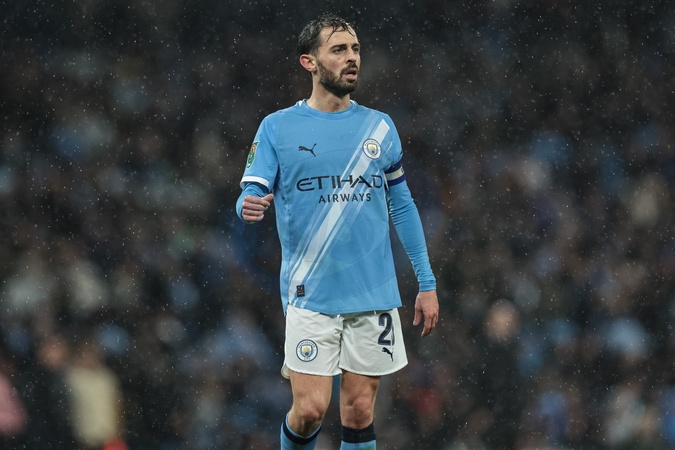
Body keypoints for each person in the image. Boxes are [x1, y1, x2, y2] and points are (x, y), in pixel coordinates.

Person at [235, 14, 439, 450]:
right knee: (310, 410)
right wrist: (247, 204)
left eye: (356, 49)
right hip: (311, 292)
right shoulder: (277, 127)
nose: (352, 59)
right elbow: (252, 188)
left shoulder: (380, 127)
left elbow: (403, 206)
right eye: (339, 50)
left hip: (373, 291)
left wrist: (426, 282)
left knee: (360, 409)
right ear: (309, 61)